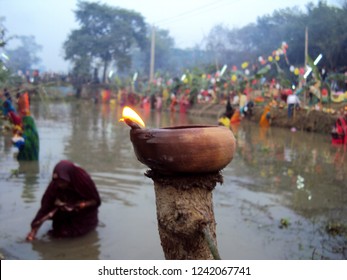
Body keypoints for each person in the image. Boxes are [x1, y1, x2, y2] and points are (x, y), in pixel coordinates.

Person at [26, 160, 101, 241]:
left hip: (84, 215)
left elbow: (95, 201)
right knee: (57, 234)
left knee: (72, 236)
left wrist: (82, 205)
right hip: (65, 212)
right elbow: (45, 207)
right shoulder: (55, 185)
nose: (60, 185)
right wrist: (34, 230)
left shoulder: (83, 181)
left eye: (62, 182)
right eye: (58, 182)